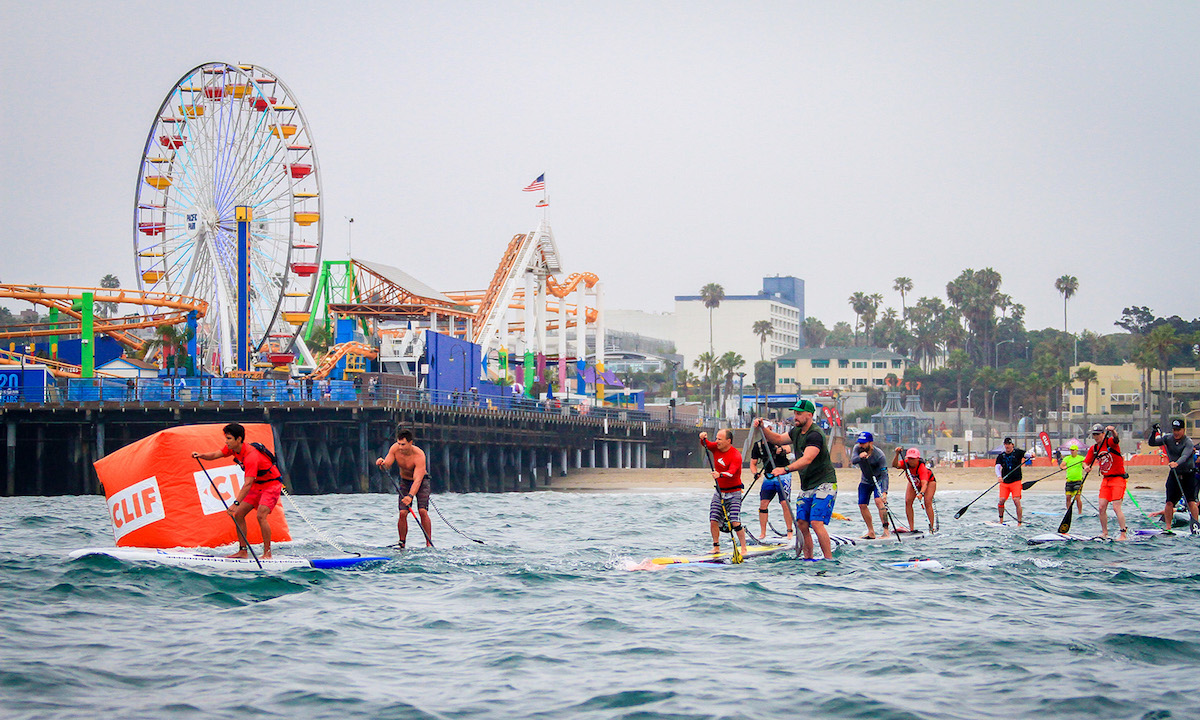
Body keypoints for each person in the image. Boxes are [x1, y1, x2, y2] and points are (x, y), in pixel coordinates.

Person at [755, 399, 838, 560]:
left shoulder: (815, 435)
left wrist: (785, 469)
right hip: (807, 485)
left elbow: (807, 459)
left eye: (799, 414)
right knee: (801, 524)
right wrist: (763, 429)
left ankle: (828, 559)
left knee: (815, 522)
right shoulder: (796, 431)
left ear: (809, 415)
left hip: (825, 484)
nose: (795, 417)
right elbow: (778, 439)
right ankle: (808, 558)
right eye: (795, 413)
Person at [191, 423, 283, 559]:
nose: (226, 441)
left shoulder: (251, 455)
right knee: (238, 515)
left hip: (271, 485)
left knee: (261, 516)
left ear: (239, 439)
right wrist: (201, 455)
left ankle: (267, 553)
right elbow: (216, 454)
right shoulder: (234, 449)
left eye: (229, 438)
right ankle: (243, 551)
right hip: (257, 485)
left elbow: (248, 483)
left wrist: (235, 503)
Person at [375, 427, 433, 548]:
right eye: (399, 443)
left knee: (422, 511)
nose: (400, 447)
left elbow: (417, 480)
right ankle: (402, 543)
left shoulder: (419, 455)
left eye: (403, 444)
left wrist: (410, 496)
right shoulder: (395, 449)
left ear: (410, 443)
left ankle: (428, 543)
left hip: (421, 481)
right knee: (402, 513)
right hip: (405, 481)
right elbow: (387, 465)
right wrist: (382, 463)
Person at [700, 429, 749, 555]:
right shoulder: (716, 448)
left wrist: (719, 474)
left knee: (735, 521)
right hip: (719, 492)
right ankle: (716, 547)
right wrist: (702, 437)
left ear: (728, 441)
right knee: (713, 519)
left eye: (719, 439)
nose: (716, 442)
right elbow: (705, 444)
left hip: (734, 492)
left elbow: (731, 472)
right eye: (716, 438)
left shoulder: (736, 455)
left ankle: (743, 548)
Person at [1147, 419, 1198, 533]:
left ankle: (1196, 526)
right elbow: (1152, 443)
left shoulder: (1188, 442)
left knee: (1191, 501)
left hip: (1188, 474)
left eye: (1178, 430)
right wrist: (1153, 432)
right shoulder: (1168, 438)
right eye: (1174, 430)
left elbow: (1185, 455)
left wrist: (1177, 463)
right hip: (1175, 474)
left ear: (1183, 430)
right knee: (1169, 502)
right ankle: (1168, 527)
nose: (1176, 432)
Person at [1084, 423, 1127, 540]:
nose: (1096, 437)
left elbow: (1116, 439)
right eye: (1094, 435)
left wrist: (1113, 431)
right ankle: (1105, 532)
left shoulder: (1110, 442)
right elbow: (1085, 462)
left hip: (1118, 479)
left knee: (1116, 507)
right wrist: (1086, 467)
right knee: (1101, 508)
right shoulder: (1094, 448)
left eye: (1098, 434)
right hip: (1106, 480)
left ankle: (1123, 534)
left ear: (1103, 434)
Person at [749, 434, 794, 540]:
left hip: (783, 475)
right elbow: (753, 463)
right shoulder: (758, 445)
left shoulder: (778, 440)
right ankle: (763, 533)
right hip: (769, 476)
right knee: (763, 504)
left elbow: (788, 449)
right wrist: (755, 473)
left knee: (784, 503)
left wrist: (781, 450)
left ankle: (789, 531)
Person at [850, 431, 891, 539]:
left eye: (863, 443)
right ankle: (871, 531)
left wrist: (884, 492)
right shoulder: (857, 449)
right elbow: (853, 461)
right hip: (866, 480)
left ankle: (886, 531)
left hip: (879, 480)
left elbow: (884, 474)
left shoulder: (879, 455)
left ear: (870, 443)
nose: (861, 445)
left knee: (879, 501)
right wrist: (860, 457)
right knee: (862, 505)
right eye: (860, 443)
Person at [893, 447, 937, 534]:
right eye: (909, 458)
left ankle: (931, 528)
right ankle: (911, 528)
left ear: (917, 459)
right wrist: (897, 454)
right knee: (908, 501)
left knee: (927, 502)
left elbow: (925, 483)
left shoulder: (922, 468)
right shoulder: (905, 463)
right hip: (914, 482)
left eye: (913, 459)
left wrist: (921, 493)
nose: (911, 461)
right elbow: (895, 465)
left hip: (929, 482)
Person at [994, 437, 1026, 525]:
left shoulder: (1018, 452)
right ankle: (1001, 520)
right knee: (1001, 500)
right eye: (1006, 444)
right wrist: (999, 476)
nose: (1007, 446)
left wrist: (1032, 455)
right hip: (1005, 482)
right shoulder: (1001, 456)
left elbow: (1027, 454)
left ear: (1012, 445)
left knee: (1016, 500)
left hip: (1016, 481)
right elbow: (997, 467)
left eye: (1009, 444)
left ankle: (1019, 522)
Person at [1059, 442, 1085, 514]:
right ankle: (1069, 512)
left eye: (1073, 450)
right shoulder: (1067, 458)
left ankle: (1080, 512)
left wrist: (1086, 467)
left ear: (1077, 450)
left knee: (1077, 497)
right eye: (1071, 450)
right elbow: (1062, 465)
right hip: (1069, 480)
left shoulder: (1081, 458)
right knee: (1068, 497)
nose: (1072, 451)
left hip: (1078, 480)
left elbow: (1084, 464)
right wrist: (1064, 467)